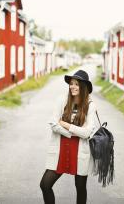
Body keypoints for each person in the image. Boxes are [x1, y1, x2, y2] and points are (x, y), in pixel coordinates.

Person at [40, 69, 99, 204]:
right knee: (45, 184)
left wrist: (66, 125)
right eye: (71, 83)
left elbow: (87, 133)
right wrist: (74, 133)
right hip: (60, 151)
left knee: (80, 188)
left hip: (80, 153)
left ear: (83, 87)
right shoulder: (62, 100)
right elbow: (53, 124)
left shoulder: (90, 106)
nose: (73, 86)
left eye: (77, 84)